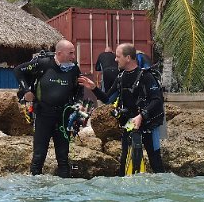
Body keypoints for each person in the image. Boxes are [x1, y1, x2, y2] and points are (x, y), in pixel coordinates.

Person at [78, 44, 166, 175]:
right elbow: (108, 99)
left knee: (155, 161)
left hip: (148, 123)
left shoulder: (146, 76)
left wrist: (141, 116)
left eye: (118, 56)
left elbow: (157, 100)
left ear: (128, 58)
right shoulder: (121, 77)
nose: (115, 60)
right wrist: (94, 88)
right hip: (130, 123)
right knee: (124, 161)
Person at [14, 39, 83, 177]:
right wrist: (27, 91)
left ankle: (63, 193)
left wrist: (79, 103)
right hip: (43, 114)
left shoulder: (74, 68)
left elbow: (79, 88)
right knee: (39, 156)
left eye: (73, 53)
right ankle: (35, 192)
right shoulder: (43, 63)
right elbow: (18, 71)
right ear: (59, 53)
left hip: (63, 116)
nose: (73, 57)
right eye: (70, 53)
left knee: (63, 158)